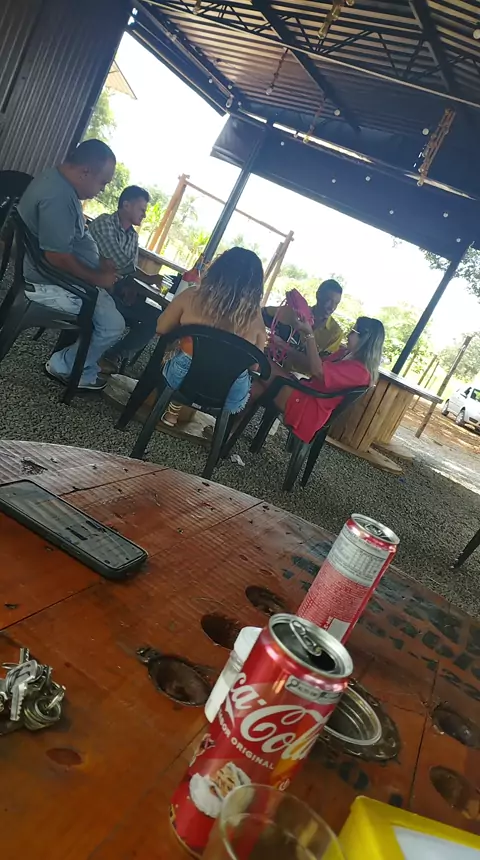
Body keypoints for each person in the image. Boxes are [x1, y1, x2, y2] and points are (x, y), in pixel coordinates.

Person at [18, 138, 125, 391]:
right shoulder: (58, 197)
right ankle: (64, 365)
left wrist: (99, 262)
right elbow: (57, 257)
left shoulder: (61, 186)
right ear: (85, 171)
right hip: (49, 282)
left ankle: (84, 367)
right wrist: (98, 278)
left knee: (110, 313)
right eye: (103, 182)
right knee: (113, 325)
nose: (103, 189)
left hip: (58, 278)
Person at [155, 247, 266, 427]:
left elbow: (161, 328)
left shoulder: (191, 296)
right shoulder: (255, 317)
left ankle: (172, 406)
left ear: (217, 270)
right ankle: (218, 430)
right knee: (233, 374)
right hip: (229, 391)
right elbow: (254, 365)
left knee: (177, 352)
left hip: (184, 378)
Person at [248, 316, 384, 444]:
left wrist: (309, 335)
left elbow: (318, 371)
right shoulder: (346, 354)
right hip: (304, 394)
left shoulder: (360, 372)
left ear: (365, 338)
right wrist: (284, 347)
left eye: (353, 331)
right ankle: (234, 431)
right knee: (254, 388)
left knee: (259, 361)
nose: (348, 335)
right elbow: (313, 364)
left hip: (308, 408)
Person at [89, 185, 163, 371]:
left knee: (156, 318)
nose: (144, 215)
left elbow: (128, 269)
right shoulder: (104, 223)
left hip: (117, 289)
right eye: (142, 209)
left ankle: (115, 354)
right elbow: (119, 262)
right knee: (127, 310)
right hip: (96, 286)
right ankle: (89, 356)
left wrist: (132, 286)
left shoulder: (133, 236)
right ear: (126, 205)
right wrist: (148, 278)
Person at [263, 279, 344, 372]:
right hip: (271, 363)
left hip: (300, 377)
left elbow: (319, 369)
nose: (332, 307)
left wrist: (284, 346)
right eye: (328, 300)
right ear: (318, 295)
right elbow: (261, 313)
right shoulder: (295, 311)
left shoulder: (335, 333)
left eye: (336, 303)